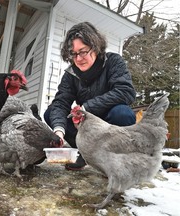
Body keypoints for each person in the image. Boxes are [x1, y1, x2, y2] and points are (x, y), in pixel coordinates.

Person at [44, 22, 136, 171]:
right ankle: (84, 154)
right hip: (85, 128)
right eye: (73, 54)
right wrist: (58, 132)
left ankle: (114, 160)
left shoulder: (113, 62)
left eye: (83, 51)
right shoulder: (70, 74)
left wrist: (86, 108)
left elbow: (126, 91)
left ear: (95, 46)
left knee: (123, 113)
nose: (78, 58)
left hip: (109, 122)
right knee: (51, 113)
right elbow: (61, 103)